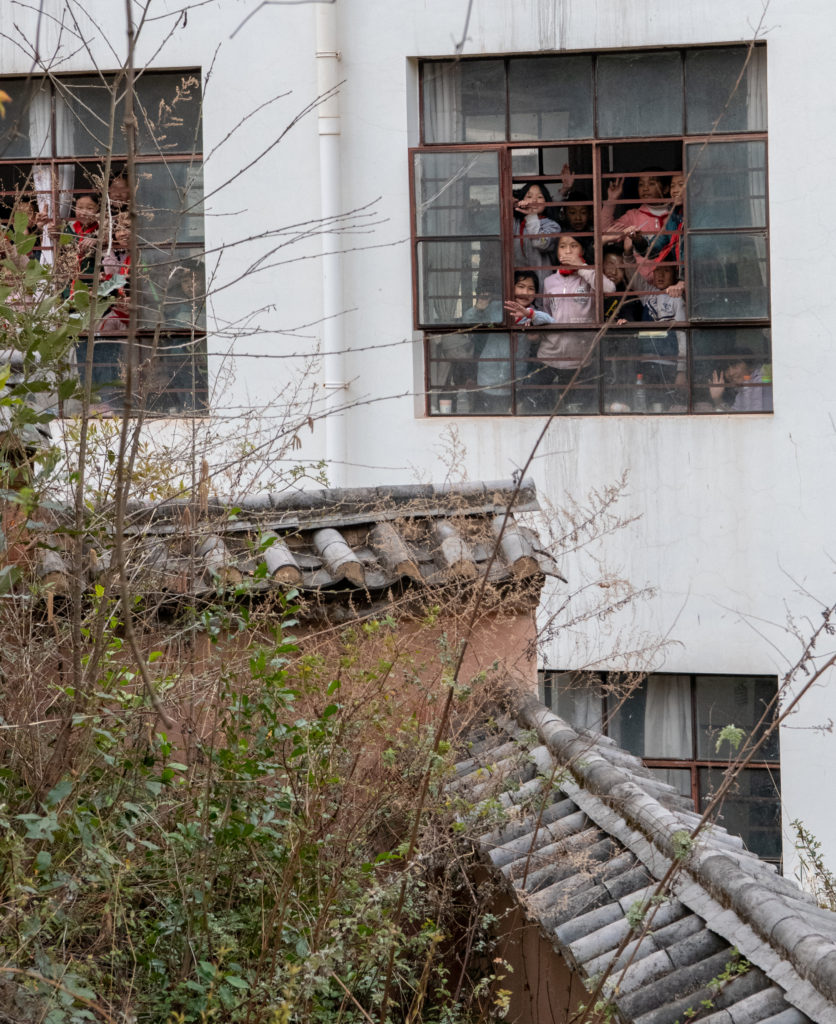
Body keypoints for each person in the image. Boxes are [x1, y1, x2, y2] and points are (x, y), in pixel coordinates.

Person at [530, 234, 615, 412]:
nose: (568, 251)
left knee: (579, 409)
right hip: (549, 356)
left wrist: (581, 267)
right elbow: (546, 312)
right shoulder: (549, 281)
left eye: (573, 246)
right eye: (562, 246)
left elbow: (609, 289)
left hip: (582, 359)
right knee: (545, 408)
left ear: (582, 250)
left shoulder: (589, 276)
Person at [475, 270, 554, 414]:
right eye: (521, 286)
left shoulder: (535, 314)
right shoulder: (496, 308)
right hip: (488, 375)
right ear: (511, 288)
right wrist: (477, 310)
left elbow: (552, 321)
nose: (525, 292)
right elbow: (470, 323)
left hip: (515, 377)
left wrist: (531, 321)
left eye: (531, 288)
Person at [512, 182, 560, 269]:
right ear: (522, 200)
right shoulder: (515, 223)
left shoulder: (553, 226)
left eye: (540, 197)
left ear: (546, 201)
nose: (534, 201)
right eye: (529, 197)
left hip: (542, 279)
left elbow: (541, 244)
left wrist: (531, 216)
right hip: (518, 280)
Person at [708, 349, 773, 413]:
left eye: (735, 366)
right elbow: (735, 416)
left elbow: (754, 419)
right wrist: (717, 399)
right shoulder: (742, 390)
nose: (731, 373)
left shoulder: (760, 384)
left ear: (750, 366)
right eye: (727, 369)